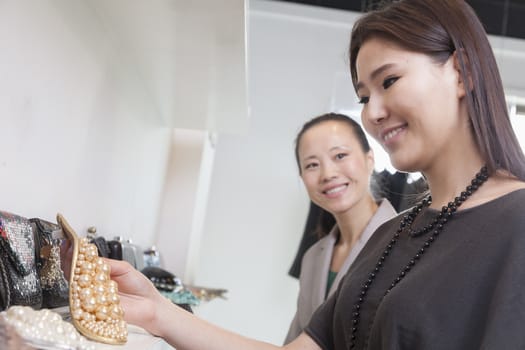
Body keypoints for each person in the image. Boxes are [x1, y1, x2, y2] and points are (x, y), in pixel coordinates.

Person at [105, 0, 525, 349]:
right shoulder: (392, 235)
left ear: (463, 72)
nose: (373, 113)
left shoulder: (515, 222)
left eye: (390, 81)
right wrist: (159, 313)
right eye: (363, 97)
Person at [284, 113, 397, 344]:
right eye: (312, 165)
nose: (328, 174)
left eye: (340, 155)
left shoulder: (405, 244)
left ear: (369, 159)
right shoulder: (313, 257)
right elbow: (295, 341)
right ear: (302, 177)